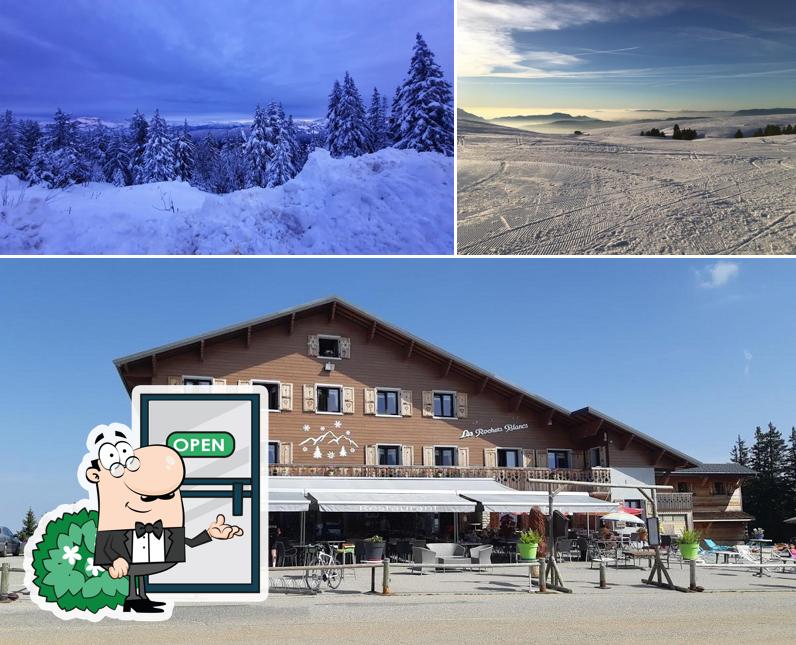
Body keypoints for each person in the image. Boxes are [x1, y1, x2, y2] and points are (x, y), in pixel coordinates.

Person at [87, 428, 243, 614]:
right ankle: (132, 598)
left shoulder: (166, 530)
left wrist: (209, 534)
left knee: (141, 572)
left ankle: (141, 597)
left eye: (168, 495)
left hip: (149, 555)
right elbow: (107, 547)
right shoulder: (114, 529)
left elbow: (189, 543)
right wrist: (115, 560)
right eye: (146, 498)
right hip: (127, 558)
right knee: (135, 571)